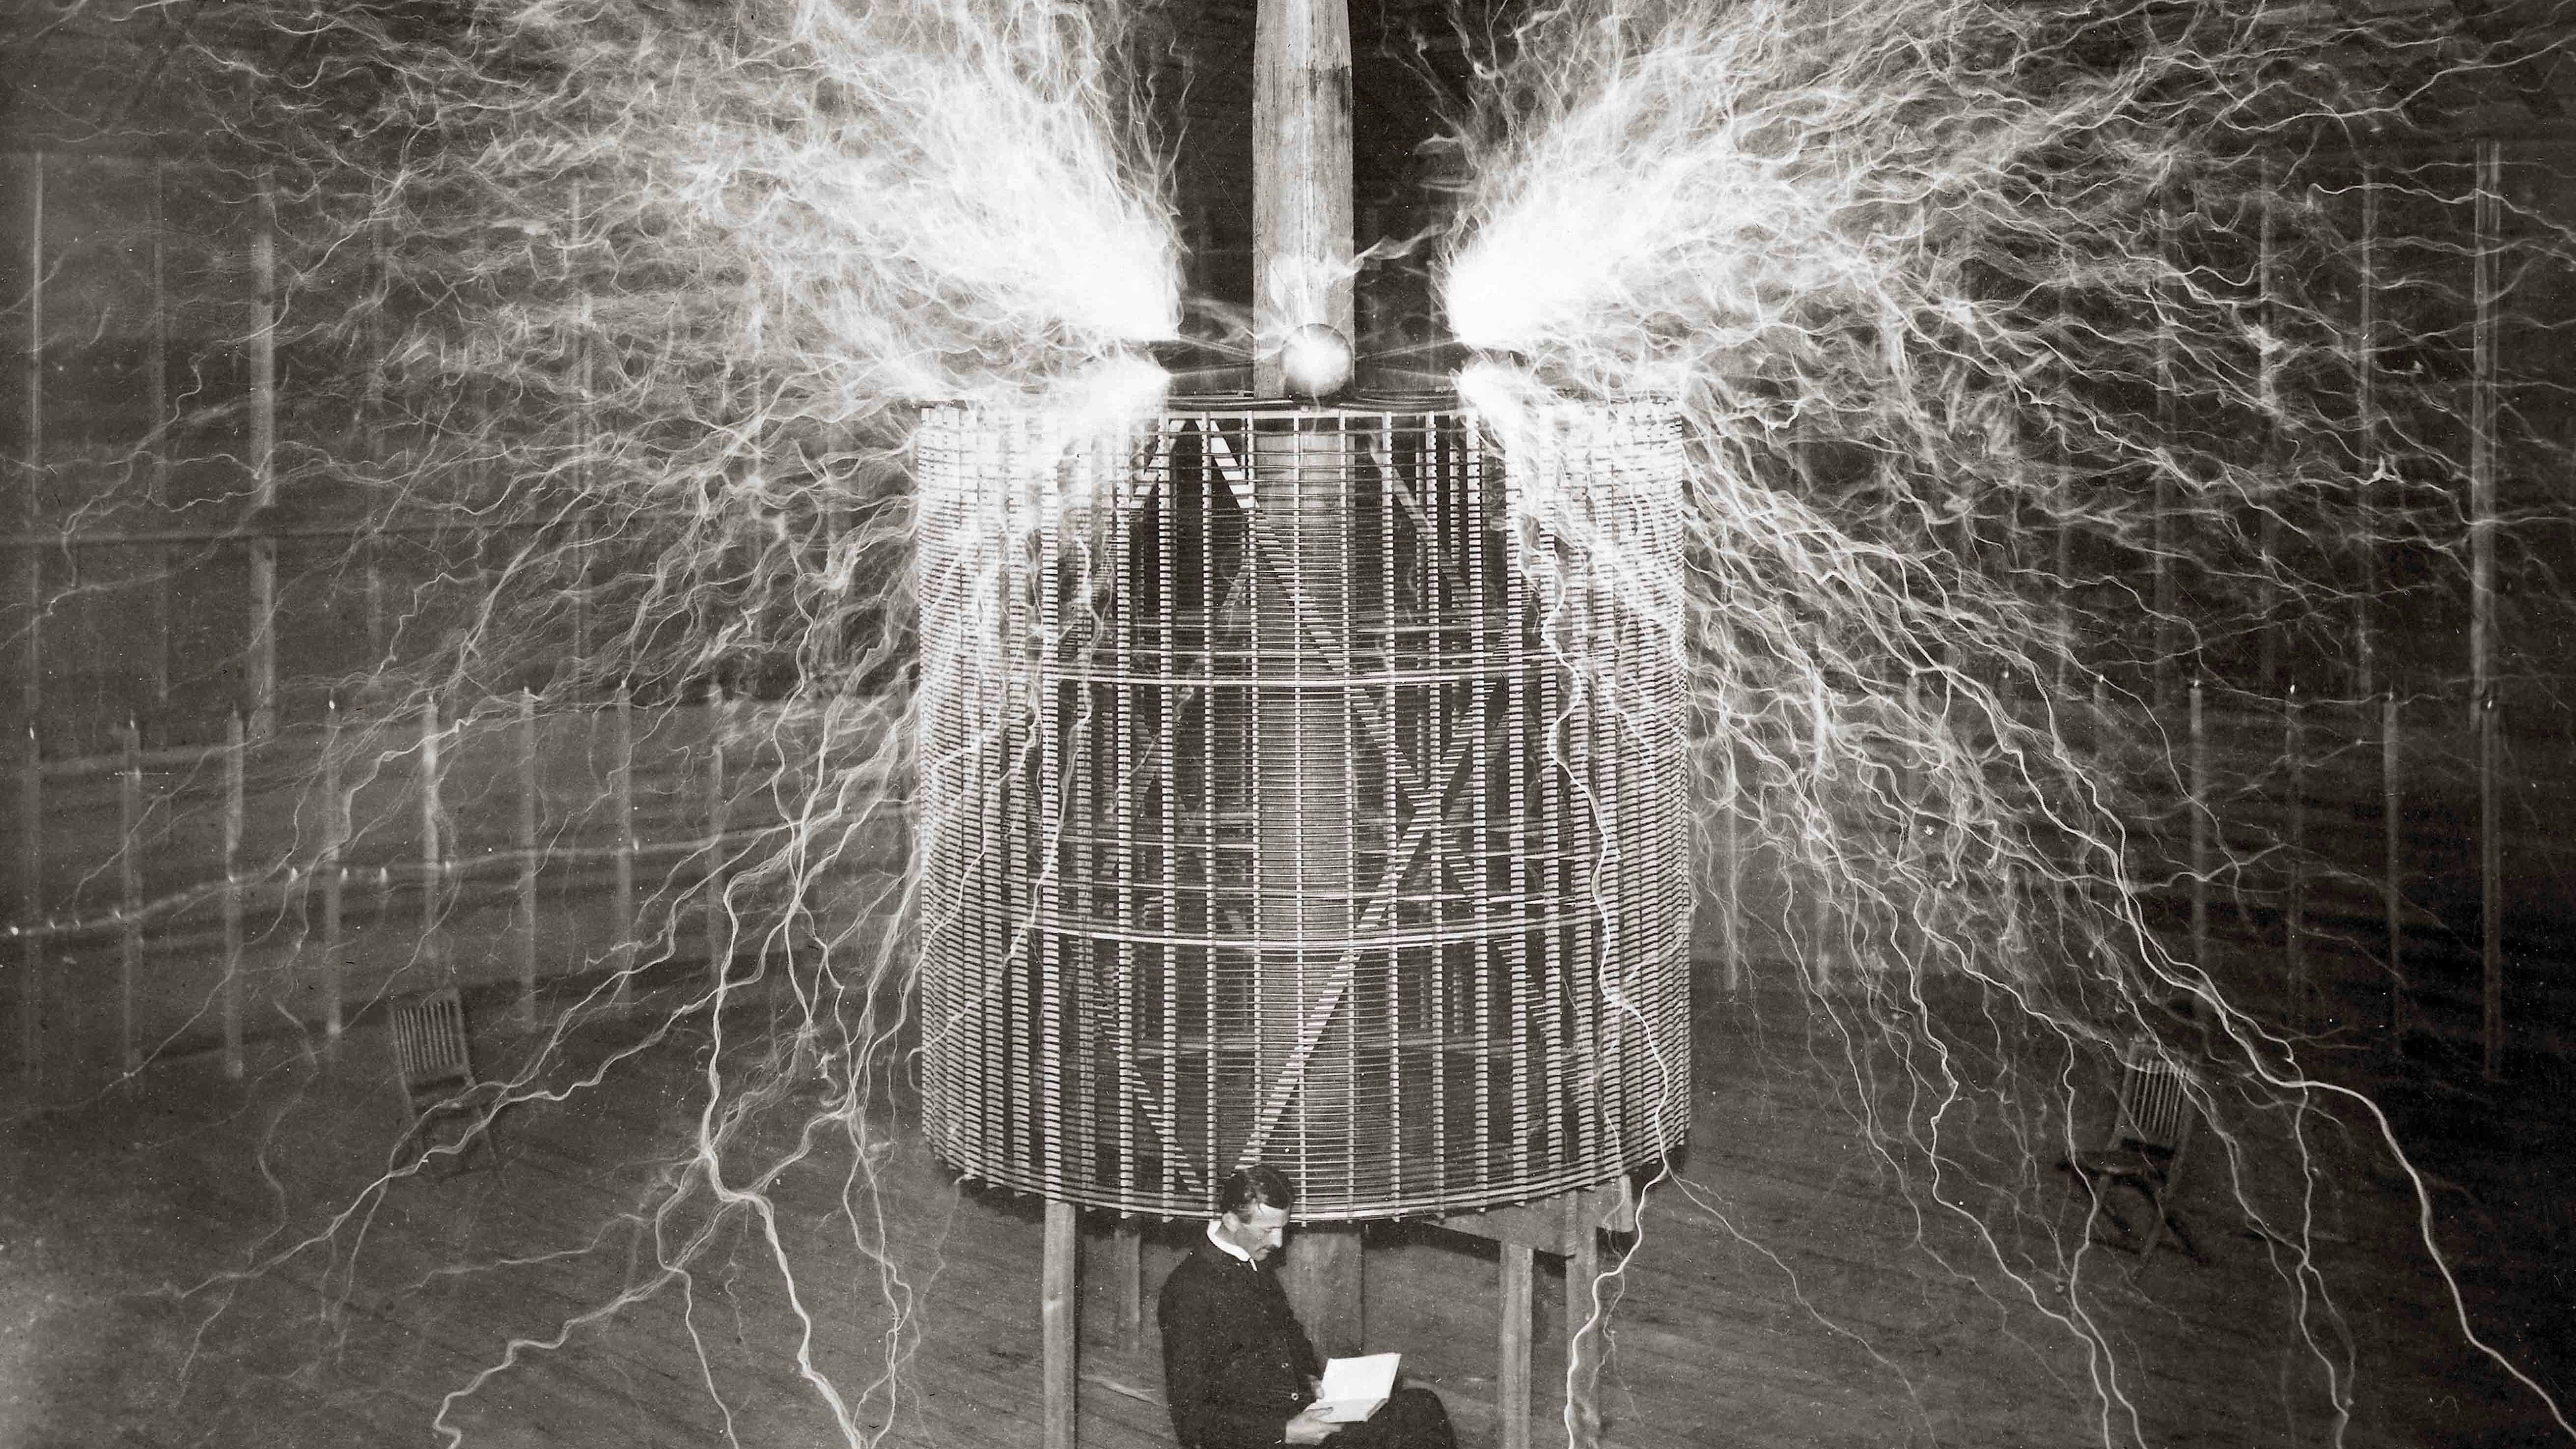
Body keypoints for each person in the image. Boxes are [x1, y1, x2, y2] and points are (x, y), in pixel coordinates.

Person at [1158, 1164, 1456, 1449]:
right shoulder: (1188, 1291)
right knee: (1414, 1423)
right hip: (1262, 1439)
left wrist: (1310, 1378)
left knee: (1420, 1407)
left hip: (1296, 1413)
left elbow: (1290, 1335)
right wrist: (1287, 1433)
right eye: (1267, 1230)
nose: (1278, 1241)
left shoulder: (1252, 1260)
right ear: (1232, 1221)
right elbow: (1190, 1422)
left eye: (1282, 1228)